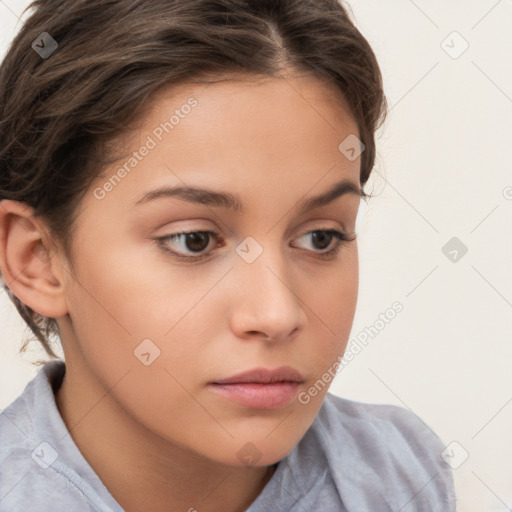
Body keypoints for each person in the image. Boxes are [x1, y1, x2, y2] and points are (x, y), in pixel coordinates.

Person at [0, 0, 457, 510]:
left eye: (321, 237)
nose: (277, 315)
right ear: (36, 259)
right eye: (193, 239)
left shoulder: (399, 471)